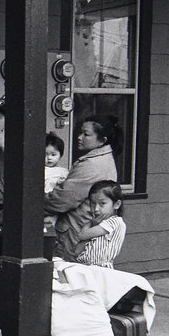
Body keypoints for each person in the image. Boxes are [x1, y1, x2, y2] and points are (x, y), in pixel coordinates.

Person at [44, 115, 119, 261]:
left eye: (86, 134)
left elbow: (62, 199)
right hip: (83, 228)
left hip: (74, 232)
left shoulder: (92, 165)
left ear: (102, 141)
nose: (79, 137)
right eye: (80, 132)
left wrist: (32, 204)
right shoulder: (104, 158)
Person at [75, 181, 126, 269]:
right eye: (93, 203)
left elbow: (81, 235)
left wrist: (92, 223)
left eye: (102, 203)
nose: (96, 209)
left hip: (101, 268)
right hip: (86, 267)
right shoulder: (99, 224)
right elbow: (77, 251)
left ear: (116, 204)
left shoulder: (114, 222)